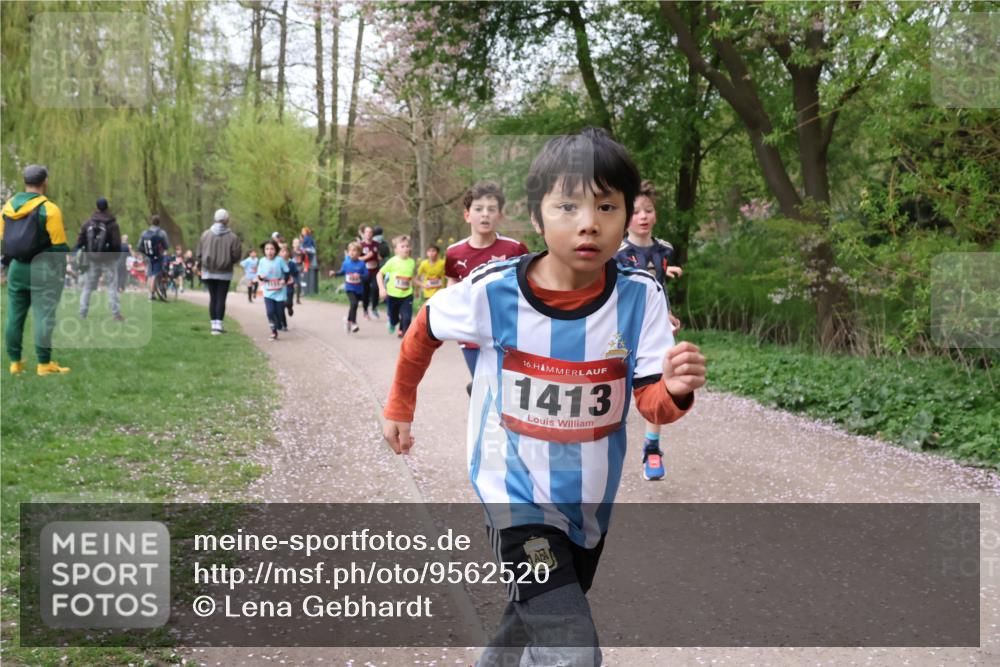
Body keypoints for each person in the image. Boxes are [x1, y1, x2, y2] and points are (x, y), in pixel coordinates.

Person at [381, 128, 706, 666]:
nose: (588, 222)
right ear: (537, 218)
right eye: (567, 206)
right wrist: (399, 404)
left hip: (589, 500)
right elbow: (425, 327)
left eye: (606, 206)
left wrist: (673, 391)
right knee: (574, 652)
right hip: (512, 492)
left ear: (627, 219)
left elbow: (652, 403)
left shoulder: (640, 297)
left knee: (534, 620)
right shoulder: (492, 290)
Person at [614, 180, 684, 481]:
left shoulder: (664, 249)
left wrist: (665, 312)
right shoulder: (615, 252)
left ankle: (652, 449)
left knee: (658, 385)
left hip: (657, 327)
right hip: (621, 330)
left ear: (655, 215)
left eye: (648, 211)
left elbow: (656, 285)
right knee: (617, 389)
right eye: (636, 212)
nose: (642, 217)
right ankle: (601, 442)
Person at [445, 181, 530, 392]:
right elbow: (452, 282)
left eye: (492, 210)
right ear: (467, 215)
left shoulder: (515, 249)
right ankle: (477, 393)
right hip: (470, 332)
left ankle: (481, 395)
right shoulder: (454, 252)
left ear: (500, 215)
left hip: (505, 331)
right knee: (486, 387)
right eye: (478, 209)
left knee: (506, 386)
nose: (485, 215)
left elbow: (528, 285)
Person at [1, 164, 72, 376]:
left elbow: (4, 240)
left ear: (25, 181)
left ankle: (15, 363)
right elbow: (59, 247)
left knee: (14, 316)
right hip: (44, 269)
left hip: (17, 268)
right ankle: (43, 364)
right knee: (44, 315)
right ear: (45, 182)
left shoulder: (8, 207)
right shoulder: (49, 209)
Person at [74, 197, 123, 320]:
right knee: (112, 286)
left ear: (96, 207)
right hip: (108, 259)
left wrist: (77, 251)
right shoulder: (112, 224)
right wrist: (116, 256)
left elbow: (80, 241)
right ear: (107, 207)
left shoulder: (88, 223)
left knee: (88, 287)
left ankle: (82, 312)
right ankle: (116, 314)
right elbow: (117, 243)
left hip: (92, 259)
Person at [195, 208, 243, 335]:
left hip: (208, 270)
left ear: (215, 219)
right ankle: (218, 326)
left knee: (213, 297)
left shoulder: (205, 235)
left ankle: (213, 325)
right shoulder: (233, 237)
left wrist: (201, 264)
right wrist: (229, 261)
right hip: (225, 272)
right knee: (221, 298)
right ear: (227, 220)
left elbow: (199, 252)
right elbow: (236, 255)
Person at [376, 235, 417, 339]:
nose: (406, 248)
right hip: (392, 295)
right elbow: (379, 274)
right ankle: (393, 323)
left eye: (407, 246)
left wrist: (417, 289)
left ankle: (405, 338)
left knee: (407, 318)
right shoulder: (392, 261)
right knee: (393, 318)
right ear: (396, 250)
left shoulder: (412, 262)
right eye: (402, 246)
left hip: (407, 295)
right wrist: (381, 289)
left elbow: (411, 277)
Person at [330, 241, 368, 333]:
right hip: (350, 288)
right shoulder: (346, 263)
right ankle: (353, 323)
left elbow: (367, 276)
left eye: (354, 250)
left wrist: (360, 276)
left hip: (359, 289)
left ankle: (348, 320)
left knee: (355, 305)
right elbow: (342, 272)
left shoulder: (362, 264)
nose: (352, 252)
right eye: (350, 250)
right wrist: (334, 273)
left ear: (359, 253)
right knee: (354, 304)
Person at [256, 239, 289, 340]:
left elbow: (287, 272)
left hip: (279, 291)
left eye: (272, 249)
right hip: (268, 291)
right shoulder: (261, 261)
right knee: (270, 312)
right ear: (264, 250)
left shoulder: (280, 260)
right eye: (267, 249)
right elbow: (259, 275)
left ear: (276, 250)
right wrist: (261, 277)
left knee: (279, 312)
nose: (269, 251)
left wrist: (284, 280)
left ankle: (279, 324)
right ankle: (274, 332)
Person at [138, 215, 169, 301]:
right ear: (159, 222)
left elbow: (139, 246)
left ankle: (150, 293)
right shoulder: (162, 233)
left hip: (147, 256)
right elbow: (166, 245)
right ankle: (151, 294)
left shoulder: (144, 233)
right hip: (157, 256)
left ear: (151, 222)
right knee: (154, 275)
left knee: (149, 274)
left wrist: (145, 253)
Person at [358, 225, 381, 319]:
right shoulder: (360, 245)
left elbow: (380, 256)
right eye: (367, 232)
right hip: (365, 271)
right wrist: (366, 257)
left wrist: (379, 257)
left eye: (370, 232)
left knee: (376, 288)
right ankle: (365, 310)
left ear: (373, 234)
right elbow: (357, 258)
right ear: (364, 234)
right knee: (365, 291)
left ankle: (374, 307)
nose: (368, 234)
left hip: (375, 270)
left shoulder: (376, 244)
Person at [281, 245, 299, 317]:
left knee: (289, 301)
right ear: (279, 253)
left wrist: (296, 282)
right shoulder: (278, 263)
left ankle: (289, 307)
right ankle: (281, 319)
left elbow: (296, 274)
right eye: (282, 251)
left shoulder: (292, 263)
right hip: (280, 284)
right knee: (281, 302)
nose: (284, 253)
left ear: (289, 253)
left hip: (289, 283)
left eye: (286, 251)